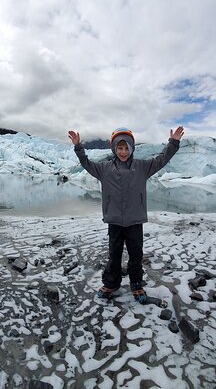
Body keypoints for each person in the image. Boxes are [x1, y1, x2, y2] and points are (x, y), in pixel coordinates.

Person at [67, 126, 184, 303]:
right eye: (119, 148)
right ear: (114, 149)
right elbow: (87, 164)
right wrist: (78, 147)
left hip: (135, 220)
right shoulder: (104, 169)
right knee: (114, 255)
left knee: (136, 255)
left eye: (126, 148)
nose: (123, 152)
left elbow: (161, 160)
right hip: (114, 220)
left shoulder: (142, 167)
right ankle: (111, 284)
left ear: (132, 148)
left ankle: (136, 285)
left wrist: (173, 142)